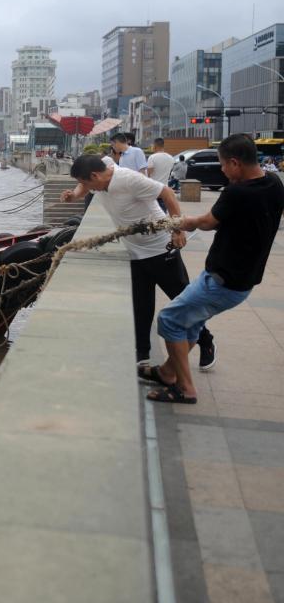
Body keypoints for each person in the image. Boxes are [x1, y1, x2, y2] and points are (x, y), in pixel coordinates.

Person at [142, 134, 284, 404]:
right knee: (191, 325)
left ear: (234, 162)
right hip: (242, 280)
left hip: (222, 281)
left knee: (169, 320)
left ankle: (184, 388)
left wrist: (182, 222)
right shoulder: (274, 184)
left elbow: (207, 222)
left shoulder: (237, 191)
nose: (221, 170)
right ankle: (167, 372)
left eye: (222, 165)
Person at [62, 154, 215, 368]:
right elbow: (84, 187)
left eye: (85, 182)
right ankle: (141, 353)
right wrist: (75, 195)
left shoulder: (128, 179)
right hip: (134, 251)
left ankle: (206, 340)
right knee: (141, 305)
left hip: (161, 248)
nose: (85, 187)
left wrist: (177, 229)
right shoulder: (103, 168)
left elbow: (168, 193)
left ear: (95, 175)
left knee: (182, 298)